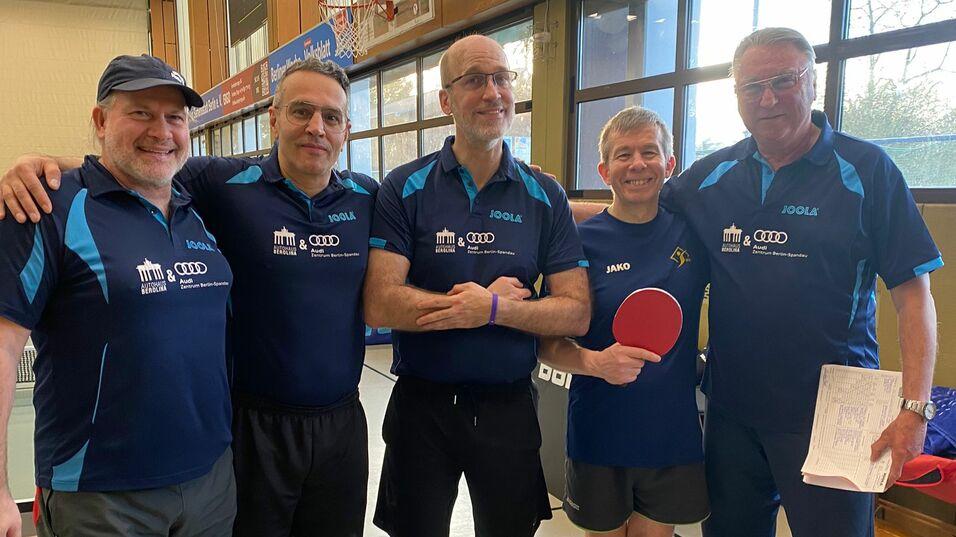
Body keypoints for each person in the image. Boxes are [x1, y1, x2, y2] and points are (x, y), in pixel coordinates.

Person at [0, 58, 378, 537]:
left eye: (331, 116)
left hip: (258, 458)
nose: (316, 128)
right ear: (274, 118)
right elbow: (137, 167)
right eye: (301, 111)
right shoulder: (221, 185)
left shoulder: (366, 196)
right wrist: (40, 166)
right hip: (166, 465)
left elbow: (152, 165)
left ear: (347, 128)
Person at [659, 28, 942, 537]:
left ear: (813, 82)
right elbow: (632, 216)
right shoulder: (712, 175)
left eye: (783, 81)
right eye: (752, 86)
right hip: (732, 413)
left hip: (837, 413)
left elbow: (914, 298)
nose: (768, 98)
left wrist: (915, 409)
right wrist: (550, 215)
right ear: (737, 96)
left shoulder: (867, 170)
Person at [363, 34, 591, 537]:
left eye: (501, 78)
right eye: (474, 81)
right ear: (446, 101)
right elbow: (380, 303)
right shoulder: (404, 186)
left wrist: (493, 310)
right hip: (422, 408)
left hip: (508, 406)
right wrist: (463, 305)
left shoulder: (543, 194)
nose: (492, 92)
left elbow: (575, 311)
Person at [0, 54, 235, 537]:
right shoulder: (48, 207)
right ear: (101, 120)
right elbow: (3, 350)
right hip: (102, 496)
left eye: (175, 117)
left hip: (210, 481)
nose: (162, 131)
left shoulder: (196, 211)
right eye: (141, 113)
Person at [540, 106, 710, 537]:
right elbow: (546, 343)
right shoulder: (579, 244)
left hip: (671, 436)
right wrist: (596, 364)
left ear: (670, 164)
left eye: (650, 152)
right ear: (604, 170)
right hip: (600, 435)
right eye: (623, 155)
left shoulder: (695, 234)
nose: (638, 164)